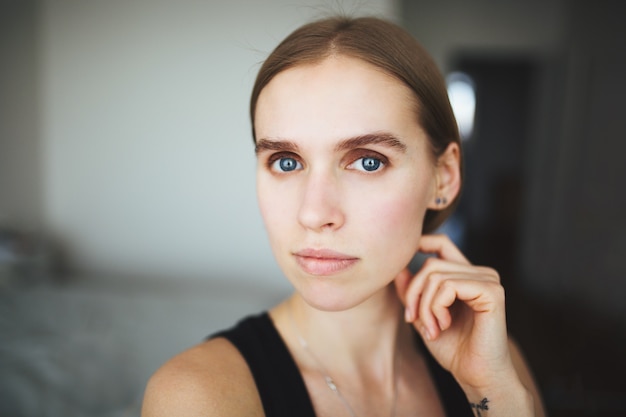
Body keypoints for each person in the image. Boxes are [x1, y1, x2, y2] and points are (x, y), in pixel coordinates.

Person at [141, 16, 546, 417]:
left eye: (368, 162)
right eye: (285, 162)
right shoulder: (197, 398)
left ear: (443, 178)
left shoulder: (495, 364)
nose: (314, 213)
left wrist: (494, 394)